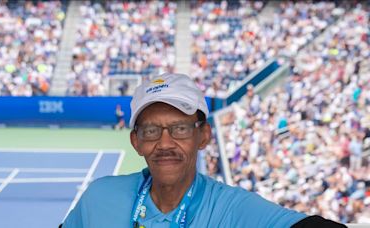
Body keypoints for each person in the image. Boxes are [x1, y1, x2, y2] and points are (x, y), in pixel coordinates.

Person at [61, 73, 346, 227]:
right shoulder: (98, 197)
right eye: (151, 130)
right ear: (136, 142)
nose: (165, 143)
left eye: (180, 128)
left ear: (203, 136)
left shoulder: (233, 208)